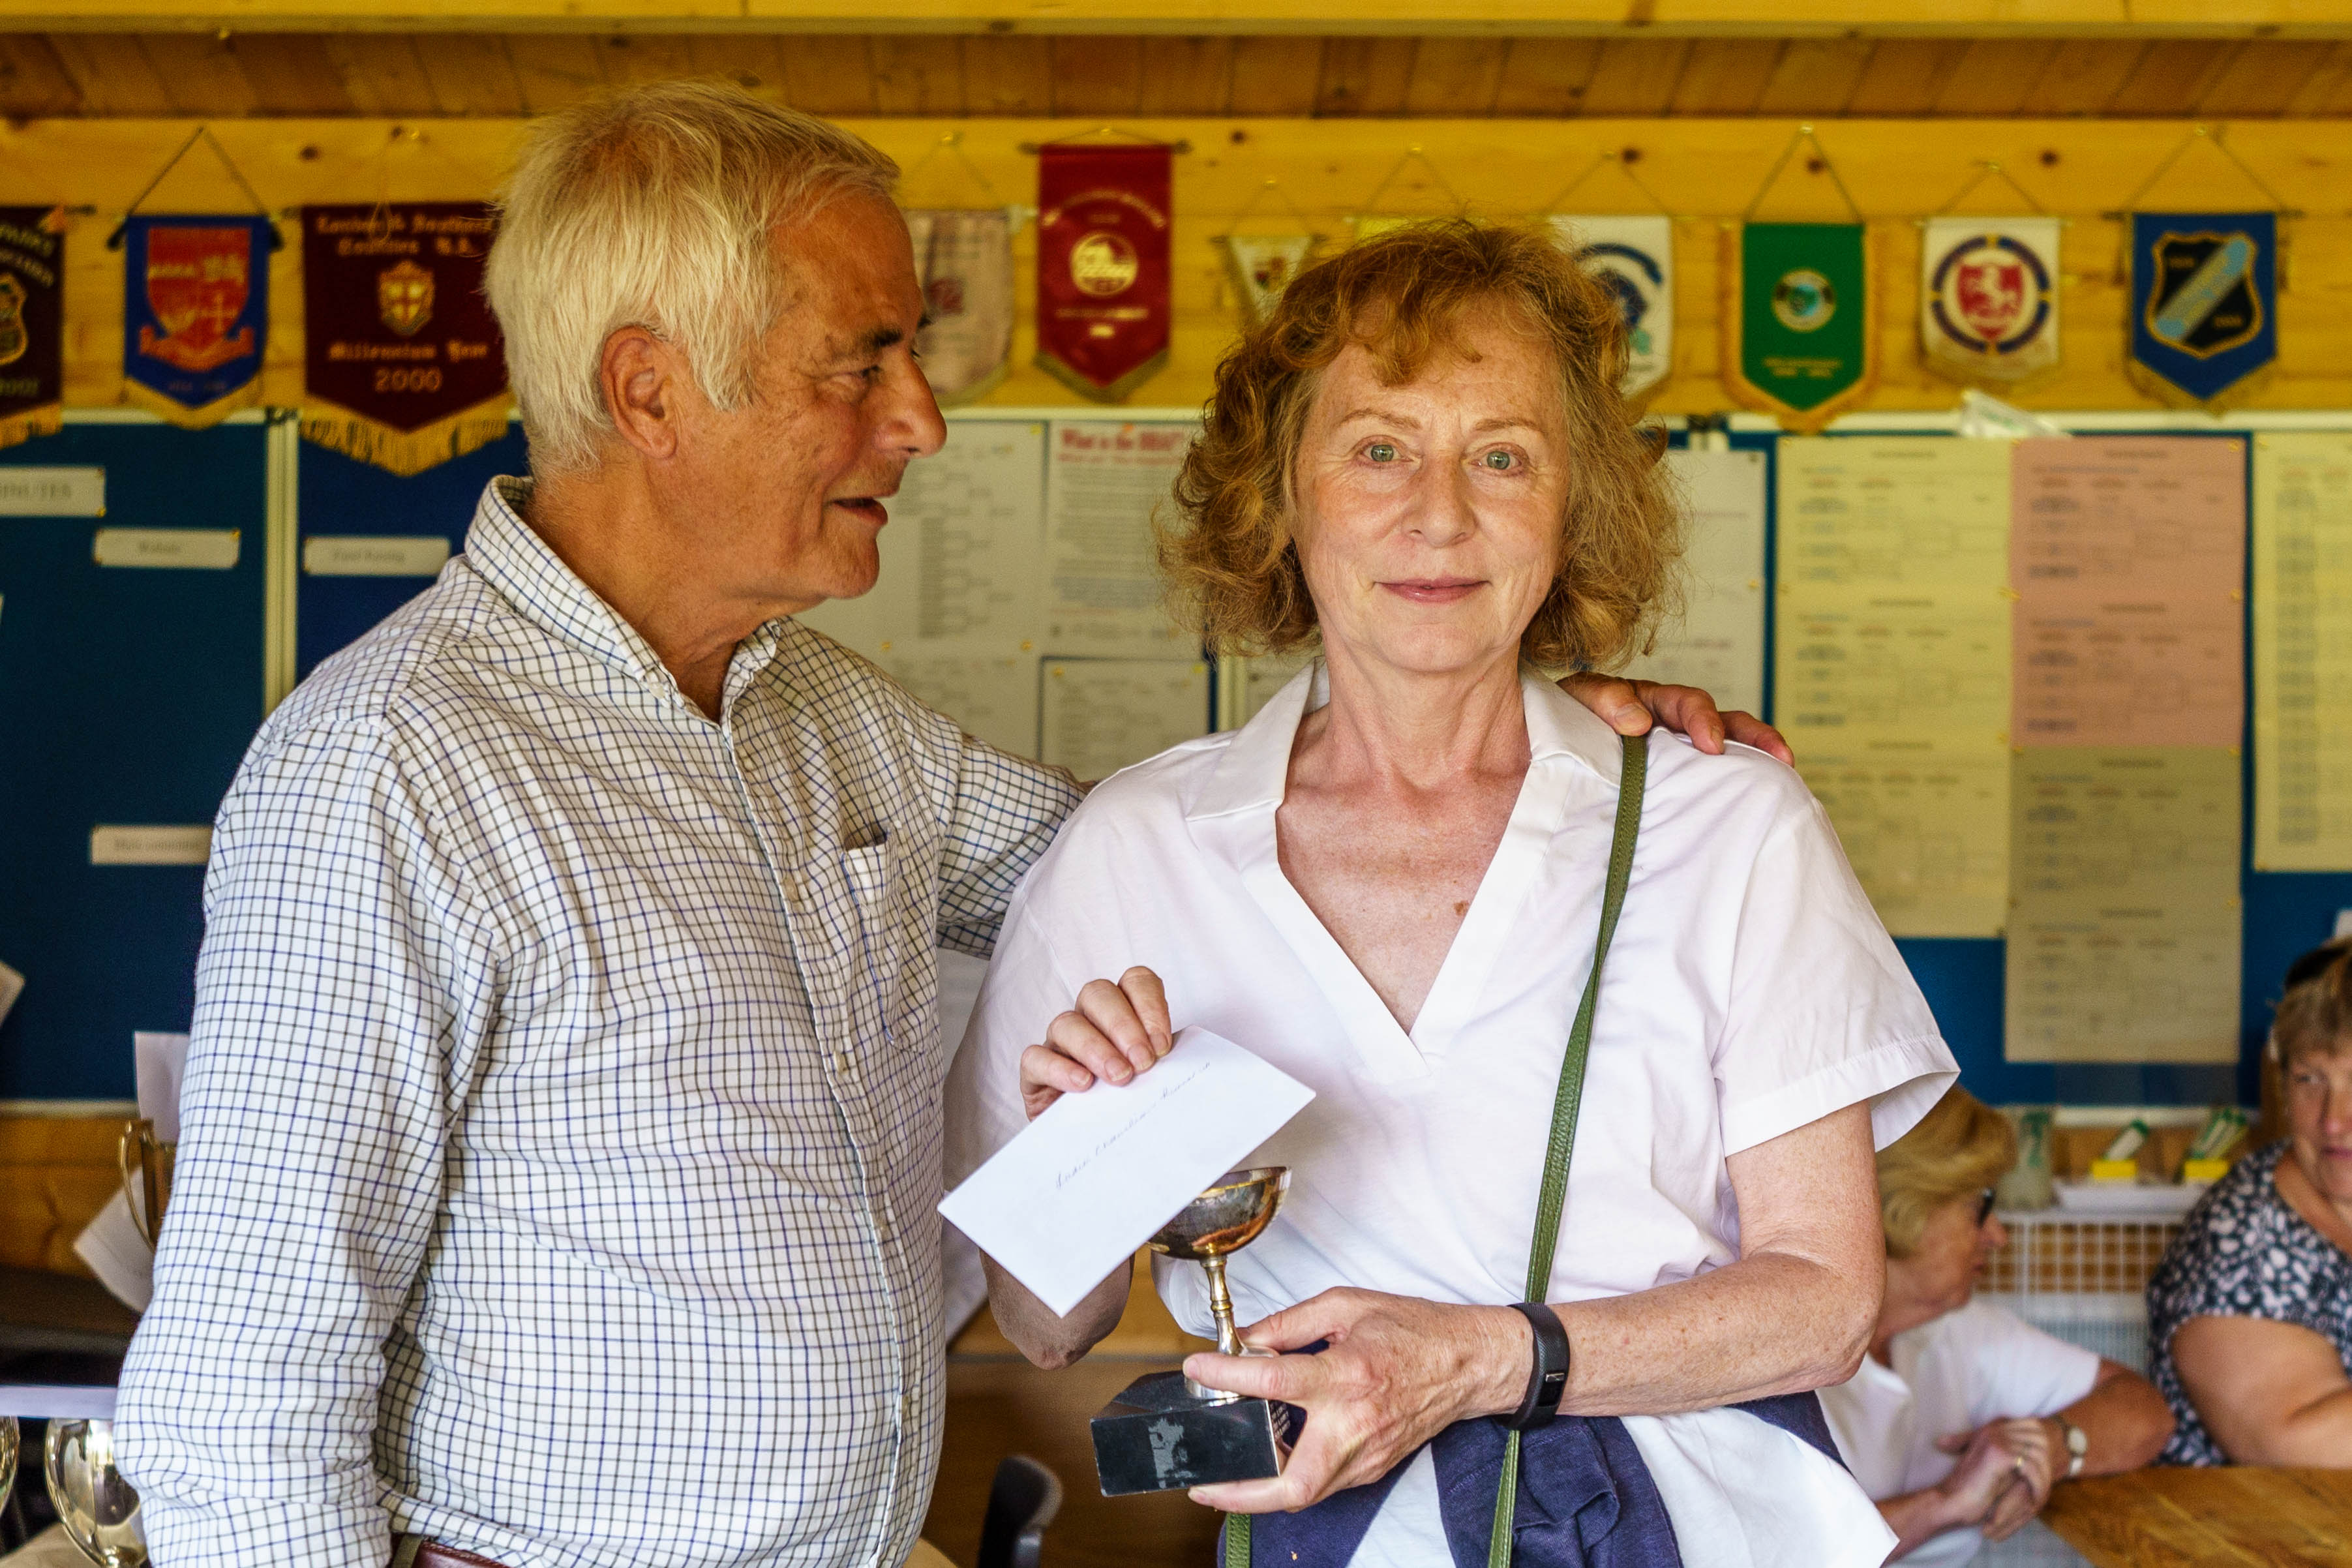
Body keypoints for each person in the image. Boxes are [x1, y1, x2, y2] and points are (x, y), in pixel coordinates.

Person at [112, 85, 1768, 1568]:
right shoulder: (389, 770)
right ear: (650, 390)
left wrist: (1508, 718)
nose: (920, 419)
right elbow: (241, 1392)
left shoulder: (826, 715)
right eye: (863, 362)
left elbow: (1205, 860)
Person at [946, 220, 1959, 1568]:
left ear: (1571, 508)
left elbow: (1825, 1301)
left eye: (1503, 455)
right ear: (1280, 495)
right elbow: (1042, 1322)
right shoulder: (1141, 844)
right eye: (1379, 448)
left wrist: (1478, 1361)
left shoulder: (1729, 824)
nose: (1441, 513)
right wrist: (1092, 1148)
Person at [1818, 1088, 2173, 1564]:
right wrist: (1946, 1502)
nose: (1999, 1236)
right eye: (1980, 1206)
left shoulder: (1961, 1327)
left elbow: (2145, 1412)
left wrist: (2049, 1443)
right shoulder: (1786, 1364)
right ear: (1904, 1206)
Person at [2147, 939, 2352, 1466]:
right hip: (2270, 1542)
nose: (2333, 1119)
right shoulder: (2239, 1238)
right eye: (2310, 1080)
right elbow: (2297, 1447)